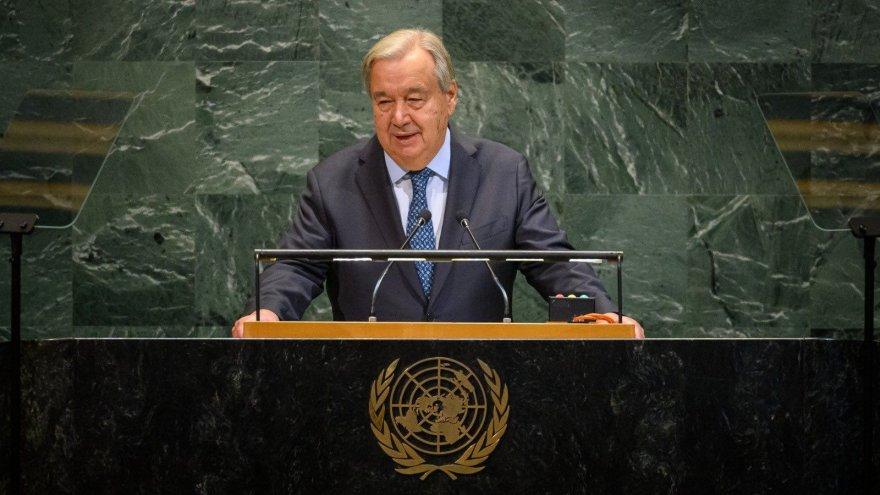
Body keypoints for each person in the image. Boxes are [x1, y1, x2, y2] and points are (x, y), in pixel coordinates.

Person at [231, 28, 644, 338]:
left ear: (450, 97)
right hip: (369, 387)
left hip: (483, 385)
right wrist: (268, 312)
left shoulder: (504, 173)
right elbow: (296, 265)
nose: (399, 117)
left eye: (414, 99)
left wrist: (604, 314)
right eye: (384, 101)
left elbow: (554, 262)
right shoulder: (333, 181)